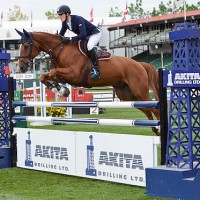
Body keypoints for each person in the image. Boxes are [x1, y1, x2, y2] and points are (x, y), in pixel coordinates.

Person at [57, 5, 101, 78]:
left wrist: (70, 39)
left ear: (67, 14)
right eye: (59, 15)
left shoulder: (77, 19)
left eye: (61, 14)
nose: (60, 16)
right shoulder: (64, 23)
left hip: (94, 34)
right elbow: (61, 35)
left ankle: (96, 69)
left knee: (89, 46)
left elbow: (83, 34)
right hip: (85, 36)